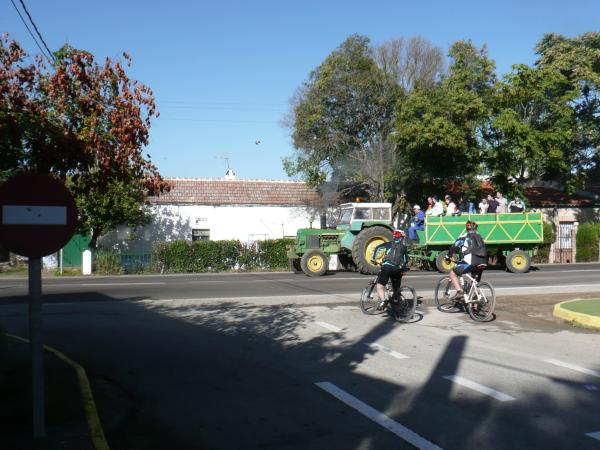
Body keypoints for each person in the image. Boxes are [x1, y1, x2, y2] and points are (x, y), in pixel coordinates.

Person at [444, 221, 487, 300]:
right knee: (474, 284)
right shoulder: (480, 237)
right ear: (476, 228)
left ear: (466, 228)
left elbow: (454, 247)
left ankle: (459, 292)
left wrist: (447, 256)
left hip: (471, 261)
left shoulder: (464, 236)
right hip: (483, 262)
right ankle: (475, 304)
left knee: (453, 272)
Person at [370, 229, 409, 305]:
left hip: (387, 267)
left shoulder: (388, 244)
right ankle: (397, 299)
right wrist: (403, 267)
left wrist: (373, 259)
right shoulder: (404, 247)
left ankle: (383, 301)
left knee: (380, 286)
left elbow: (377, 248)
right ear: (402, 238)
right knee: (396, 288)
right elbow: (405, 260)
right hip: (398, 269)